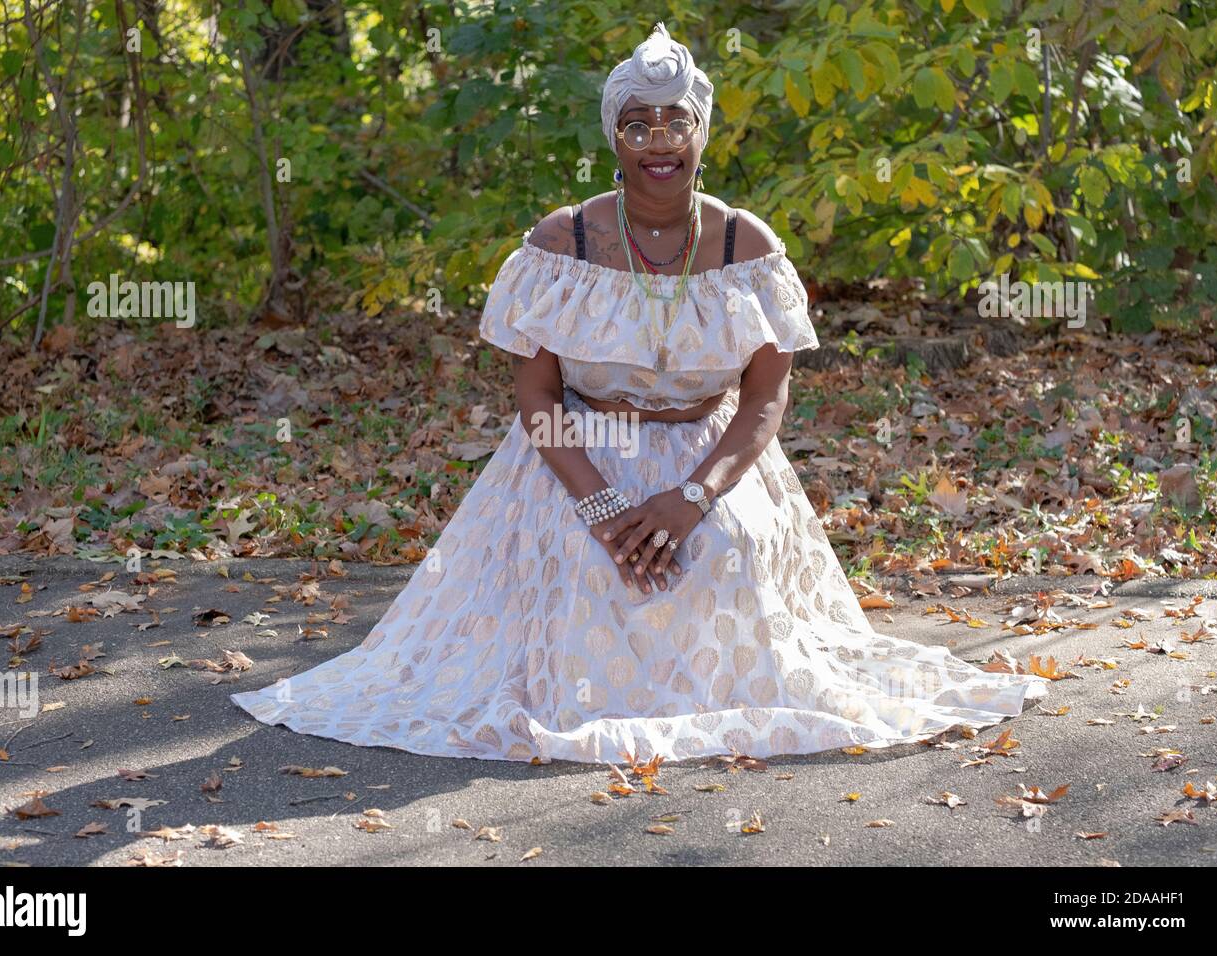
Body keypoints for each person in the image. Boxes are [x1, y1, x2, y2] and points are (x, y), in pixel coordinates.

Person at [230, 22, 1049, 764]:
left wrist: (692, 498)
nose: (658, 140)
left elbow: (765, 400)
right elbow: (537, 398)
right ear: (613, 139)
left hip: (712, 460)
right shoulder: (564, 242)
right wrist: (602, 509)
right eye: (637, 123)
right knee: (589, 568)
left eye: (676, 121)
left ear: (702, 132)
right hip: (575, 456)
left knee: (723, 559)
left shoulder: (744, 243)